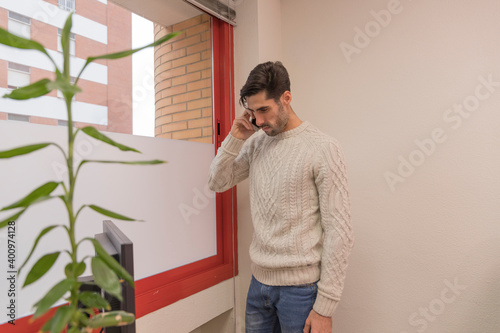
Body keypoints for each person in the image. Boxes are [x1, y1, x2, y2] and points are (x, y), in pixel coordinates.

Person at [208, 61, 354, 333]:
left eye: (264, 109)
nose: (259, 121)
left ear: (286, 98)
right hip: (258, 286)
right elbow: (216, 182)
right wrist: (234, 137)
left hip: (301, 292)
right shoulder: (256, 144)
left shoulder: (324, 148)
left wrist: (325, 308)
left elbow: (339, 232)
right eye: (253, 112)